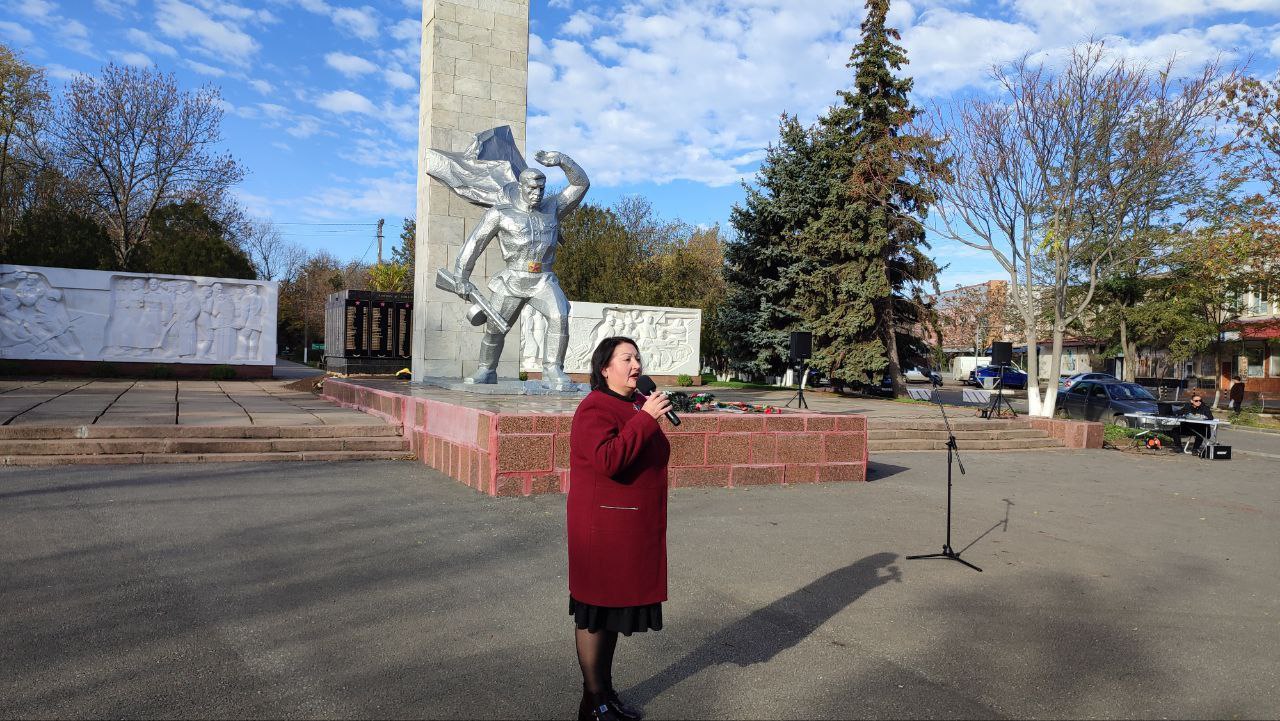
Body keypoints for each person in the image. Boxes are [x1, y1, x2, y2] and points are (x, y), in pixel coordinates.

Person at [567, 336, 673, 721]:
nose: (636, 365)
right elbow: (608, 460)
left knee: (610, 613)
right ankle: (595, 701)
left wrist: (646, 417)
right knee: (595, 612)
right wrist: (645, 420)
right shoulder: (594, 407)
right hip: (602, 529)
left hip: (627, 525)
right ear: (604, 368)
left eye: (638, 358)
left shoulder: (633, 405)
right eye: (626, 358)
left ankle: (601, 697)